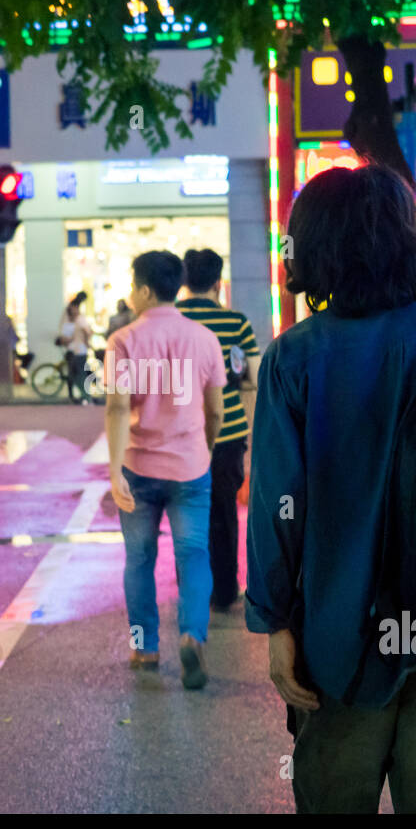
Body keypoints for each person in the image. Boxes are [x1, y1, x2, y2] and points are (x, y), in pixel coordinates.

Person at [247, 165, 416, 813]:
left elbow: (278, 504)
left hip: (342, 641)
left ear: (312, 248)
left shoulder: (296, 357)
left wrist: (274, 620)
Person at [106, 251, 226, 689]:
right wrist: (205, 450)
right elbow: (216, 411)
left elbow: (118, 408)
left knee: (139, 559)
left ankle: (144, 646)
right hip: (190, 467)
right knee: (193, 555)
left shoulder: (123, 341)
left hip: (138, 466)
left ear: (142, 289)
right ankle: (193, 635)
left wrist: (115, 468)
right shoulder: (204, 338)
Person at [177, 249, 261, 611]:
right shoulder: (236, 323)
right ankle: (225, 590)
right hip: (226, 434)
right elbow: (253, 377)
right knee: (223, 513)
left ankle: (192, 588)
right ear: (217, 281)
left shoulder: (170, 321)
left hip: (179, 435)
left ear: (184, 281)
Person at [57, 300, 93, 404]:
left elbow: (87, 332)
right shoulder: (72, 323)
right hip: (74, 351)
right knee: (76, 374)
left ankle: (86, 396)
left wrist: (84, 341)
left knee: (78, 374)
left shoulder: (80, 320)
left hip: (79, 350)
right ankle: (83, 396)